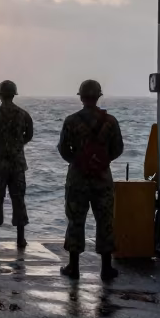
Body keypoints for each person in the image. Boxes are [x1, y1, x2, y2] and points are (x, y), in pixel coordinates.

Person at [58, 79, 124, 282]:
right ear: (98, 96)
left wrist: (78, 163)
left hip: (77, 179)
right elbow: (118, 148)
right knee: (105, 221)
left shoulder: (71, 121)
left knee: (76, 221)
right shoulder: (110, 121)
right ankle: (106, 268)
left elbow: (63, 148)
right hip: (102, 179)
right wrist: (101, 162)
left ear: (81, 97)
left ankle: (74, 267)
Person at [0, 80, 34, 249]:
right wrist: (17, 146)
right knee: (19, 200)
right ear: (13, 95)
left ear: (0, 95)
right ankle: (20, 239)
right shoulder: (23, 114)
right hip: (18, 165)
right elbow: (29, 135)